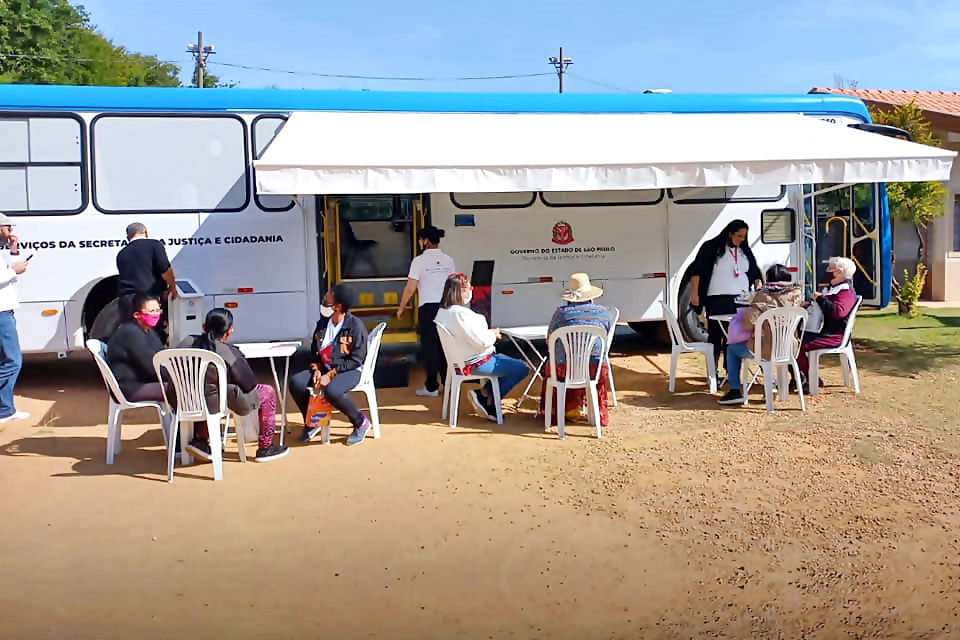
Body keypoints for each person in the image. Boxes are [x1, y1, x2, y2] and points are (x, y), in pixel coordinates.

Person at [179, 308, 289, 462]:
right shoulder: (229, 352)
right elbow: (249, 383)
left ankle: (201, 440)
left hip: (184, 400)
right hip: (215, 403)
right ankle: (265, 447)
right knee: (267, 392)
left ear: (204, 327)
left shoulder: (186, 342)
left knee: (204, 389)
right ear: (228, 331)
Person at [434, 273, 529, 421]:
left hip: (459, 362)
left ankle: (485, 395)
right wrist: (493, 334)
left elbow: (468, 335)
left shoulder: (443, 312)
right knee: (522, 368)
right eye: (469, 287)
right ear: (460, 291)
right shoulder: (461, 314)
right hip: (477, 363)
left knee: (509, 363)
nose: (472, 289)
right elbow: (482, 342)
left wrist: (487, 333)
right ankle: (486, 396)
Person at [290, 284, 373, 446]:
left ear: (338, 306)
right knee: (296, 383)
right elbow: (315, 353)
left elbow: (356, 359)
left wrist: (330, 374)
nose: (325, 297)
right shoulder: (322, 324)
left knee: (332, 391)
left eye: (329, 295)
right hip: (326, 368)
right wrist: (316, 370)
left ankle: (360, 421)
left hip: (350, 370)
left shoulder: (355, 327)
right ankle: (313, 421)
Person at [717, 264, 803, 406]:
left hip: (767, 348)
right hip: (790, 348)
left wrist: (751, 306)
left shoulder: (763, 297)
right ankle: (772, 385)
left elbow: (748, 323)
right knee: (762, 347)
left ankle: (735, 390)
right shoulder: (796, 295)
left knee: (733, 348)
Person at [689, 219, 763, 377]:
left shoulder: (744, 251)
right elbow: (697, 272)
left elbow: (754, 271)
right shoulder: (711, 248)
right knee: (716, 335)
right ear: (730, 233)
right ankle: (712, 371)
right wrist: (694, 293)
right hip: (717, 299)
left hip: (741, 300)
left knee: (736, 336)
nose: (741, 239)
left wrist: (758, 284)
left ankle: (731, 370)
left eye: (744, 236)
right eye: (739, 236)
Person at [539, 273, 613, 427]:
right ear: (591, 295)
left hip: (563, 370)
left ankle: (562, 411)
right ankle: (595, 413)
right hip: (595, 369)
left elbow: (549, 339)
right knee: (587, 366)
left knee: (556, 367)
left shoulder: (561, 313)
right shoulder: (602, 313)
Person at [398, 225, 456, 398]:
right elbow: (453, 285)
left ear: (426, 241)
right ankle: (450, 384)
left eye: (420, 239)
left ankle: (432, 387)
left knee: (430, 349)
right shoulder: (448, 260)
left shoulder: (419, 261)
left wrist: (401, 307)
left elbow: (410, 288)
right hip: (447, 307)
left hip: (428, 308)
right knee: (446, 347)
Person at [795, 257, 859, 392]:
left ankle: (809, 378)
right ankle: (799, 376)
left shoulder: (845, 291)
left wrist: (820, 299)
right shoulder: (832, 288)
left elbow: (838, 312)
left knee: (794, 345)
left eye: (830, 268)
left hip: (833, 335)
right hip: (821, 331)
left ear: (839, 272)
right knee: (789, 338)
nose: (827, 271)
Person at [106, 293, 170, 403]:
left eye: (157, 310)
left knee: (188, 386)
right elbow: (151, 366)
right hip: (131, 387)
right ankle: (182, 419)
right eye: (151, 311)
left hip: (145, 381)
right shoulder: (131, 333)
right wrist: (177, 376)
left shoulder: (149, 331)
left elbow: (162, 356)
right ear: (137, 314)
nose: (155, 314)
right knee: (184, 389)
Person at [116, 222, 177, 335]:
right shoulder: (154, 245)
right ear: (146, 233)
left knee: (132, 334)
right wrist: (172, 287)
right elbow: (165, 270)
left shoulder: (121, 253)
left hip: (126, 300)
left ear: (128, 238)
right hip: (146, 300)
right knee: (152, 335)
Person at [0, 213, 29, 423]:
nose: (11, 233)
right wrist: (13, 270)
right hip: (1, 312)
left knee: (7, 359)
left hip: (5, 309)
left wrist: (14, 251)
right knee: (12, 360)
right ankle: (3, 410)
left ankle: (6, 409)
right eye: (8, 228)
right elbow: (8, 275)